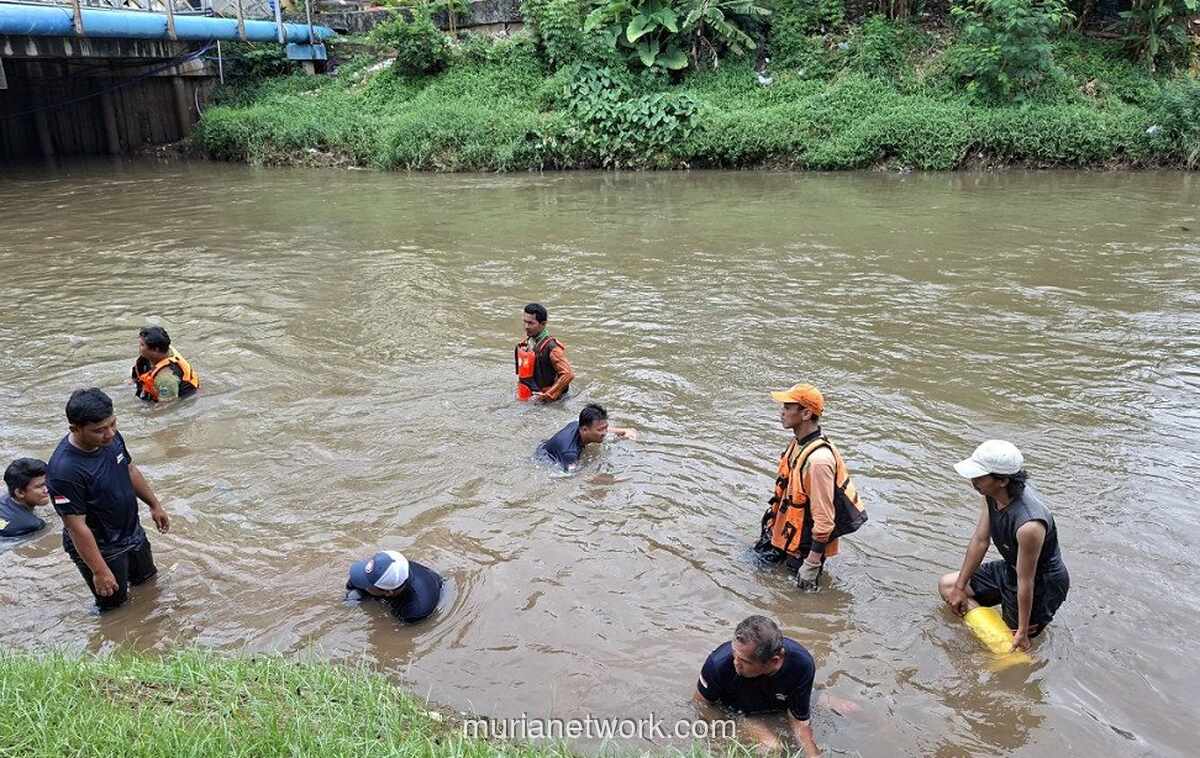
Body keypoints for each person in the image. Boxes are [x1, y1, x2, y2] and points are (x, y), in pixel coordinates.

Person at [939, 440, 1070, 652]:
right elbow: (980, 541)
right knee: (948, 586)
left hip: (1041, 583)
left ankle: (1023, 639)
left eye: (979, 477)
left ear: (1002, 481)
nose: (973, 481)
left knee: (1011, 646)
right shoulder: (990, 496)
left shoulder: (1029, 525)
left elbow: (1025, 581)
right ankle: (989, 623)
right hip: (1012, 567)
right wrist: (960, 587)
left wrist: (1022, 629)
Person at [46, 388, 170, 611]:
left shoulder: (111, 439)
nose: (110, 434)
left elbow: (129, 470)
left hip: (131, 532)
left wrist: (154, 504)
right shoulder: (64, 470)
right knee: (114, 607)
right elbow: (76, 526)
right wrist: (99, 570)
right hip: (102, 547)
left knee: (148, 584)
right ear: (75, 429)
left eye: (113, 424)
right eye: (99, 430)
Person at [755, 384, 866, 590]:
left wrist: (812, 563)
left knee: (790, 604)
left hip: (803, 549)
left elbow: (824, 519)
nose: (782, 412)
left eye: (788, 407)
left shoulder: (818, 461)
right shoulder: (799, 443)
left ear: (806, 413)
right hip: (787, 536)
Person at [694, 615, 826, 756]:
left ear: (774, 661)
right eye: (734, 654)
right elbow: (701, 704)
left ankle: (822, 696)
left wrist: (813, 754)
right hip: (739, 712)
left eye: (744, 661)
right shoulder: (718, 664)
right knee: (772, 747)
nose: (735, 663)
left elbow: (799, 721)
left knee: (848, 708)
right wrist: (730, 727)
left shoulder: (801, 665)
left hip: (779, 701)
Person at [346, 549, 444, 623]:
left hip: (421, 593)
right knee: (354, 595)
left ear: (388, 592)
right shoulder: (394, 565)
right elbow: (352, 583)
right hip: (397, 589)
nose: (363, 585)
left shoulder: (414, 610)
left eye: (368, 585)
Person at [535, 403, 637, 471]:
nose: (605, 432)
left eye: (605, 427)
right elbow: (570, 476)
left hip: (551, 446)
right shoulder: (570, 453)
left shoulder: (577, 424)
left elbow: (604, 429)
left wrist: (624, 430)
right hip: (545, 460)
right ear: (584, 430)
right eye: (600, 430)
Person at [514, 303, 573, 402]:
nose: (526, 326)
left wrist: (548, 395)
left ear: (543, 324)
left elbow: (568, 375)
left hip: (550, 401)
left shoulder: (552, 348)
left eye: (531, 323)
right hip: (530, 394)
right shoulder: (528, 341)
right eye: (525, 322)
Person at [132, 325, 199, 402]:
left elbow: (166, 407)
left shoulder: (165, 378)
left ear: (156, 349)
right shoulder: (162, 351)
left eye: (142, 345)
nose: (139, 348)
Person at [1, 458, 50, 538]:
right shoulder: (31, 525)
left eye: (47, 482)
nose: (47, 489)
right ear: (20, 493)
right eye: (39, 486)